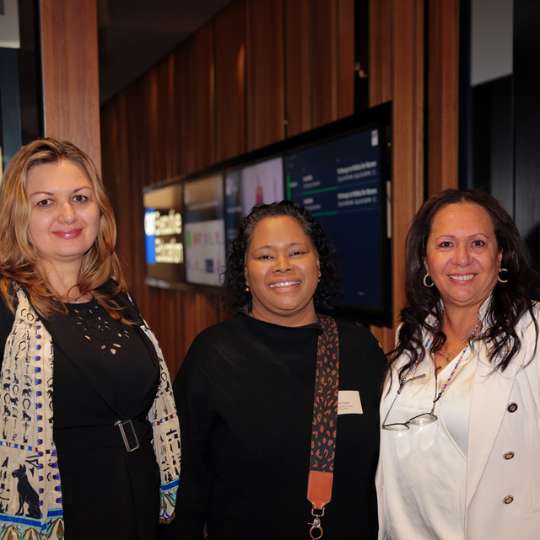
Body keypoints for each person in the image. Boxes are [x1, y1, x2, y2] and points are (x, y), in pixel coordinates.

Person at [164, 200, 386, 540]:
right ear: (246, 273)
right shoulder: (214, 355)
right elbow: (186, 483)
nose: (283, 266)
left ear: (318, 264)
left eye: (297, 252)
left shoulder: (359, 349)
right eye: (266, 256)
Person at [0, 138, 181, 539]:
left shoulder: (116, 298)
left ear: (99, 210)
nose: (68, 214)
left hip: (139, 504)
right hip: (66, 514)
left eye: (80, 198)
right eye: (45, 202)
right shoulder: (8, 308)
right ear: (19, 215)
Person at [377, 189, 540, 540]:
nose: (462, 259)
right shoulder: (411, 336)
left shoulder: (534, 334)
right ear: (426, 260)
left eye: (478, 243)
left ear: (501, 257)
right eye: (446, 244)